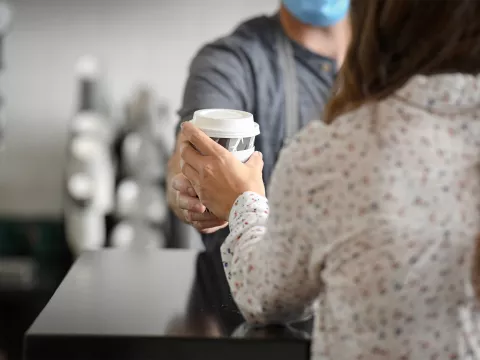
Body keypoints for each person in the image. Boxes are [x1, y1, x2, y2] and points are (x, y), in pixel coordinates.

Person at [178, 0, 480, 359]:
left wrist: (243, 203)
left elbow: (266, 295)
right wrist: (186, 185)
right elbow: (185, 155)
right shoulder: (233, 58)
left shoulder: (328, 154)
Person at [167, 0, 351, 250]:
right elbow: (188, 156)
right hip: (240, 285)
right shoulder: (230, 60)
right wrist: (193, 190)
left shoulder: (395, 63)